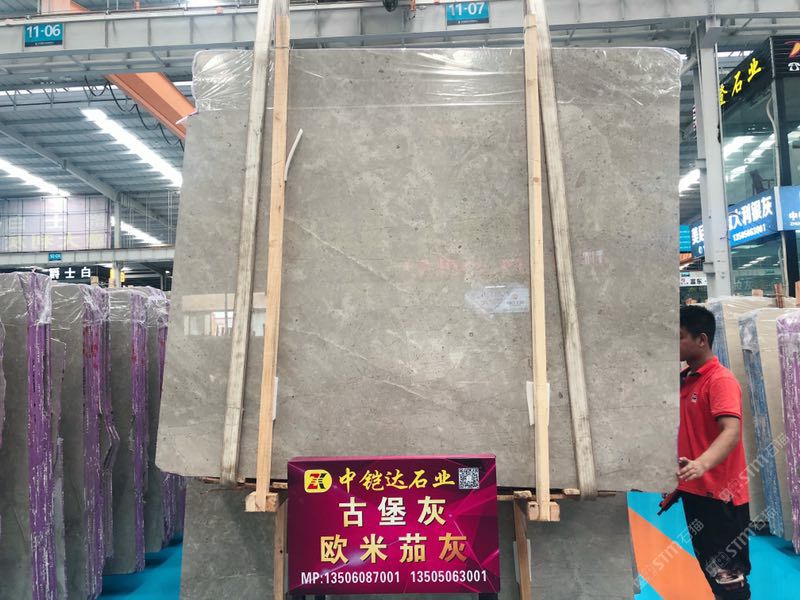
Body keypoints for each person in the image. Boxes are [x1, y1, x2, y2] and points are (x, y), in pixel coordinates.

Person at [678, 305, 751, 600]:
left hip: (722, 499)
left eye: (679, 337)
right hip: (696, 494)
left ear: (702, 340)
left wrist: (702, 464)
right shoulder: (686, 379)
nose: (673, 344)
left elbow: (731, 431)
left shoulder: (720, 380)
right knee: (713, 573)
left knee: (730, 580)